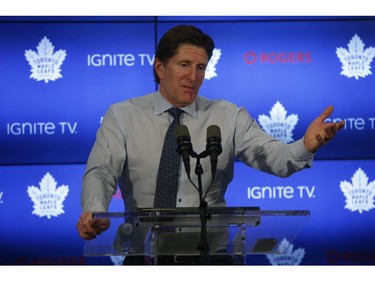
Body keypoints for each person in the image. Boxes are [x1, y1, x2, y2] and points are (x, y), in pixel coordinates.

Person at [76, 25, 345, 265]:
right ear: (160, 67)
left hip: (212, 257)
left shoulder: (228, 115)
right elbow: (102, 170)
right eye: (184, 65)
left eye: (201, 67)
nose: (193, 77)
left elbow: (270, 155)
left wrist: (305, 145)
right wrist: (94, 210)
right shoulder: (123, 116)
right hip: (146, 257)